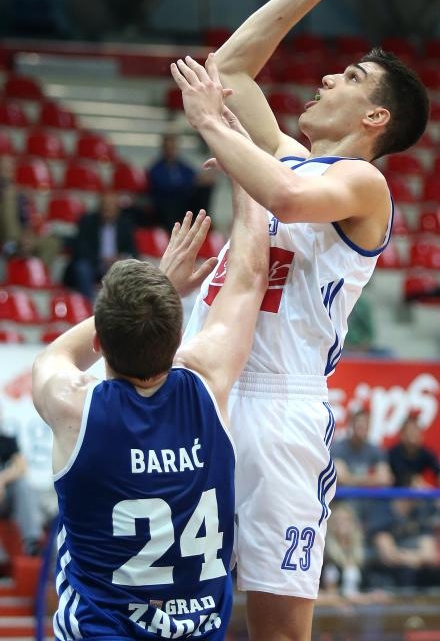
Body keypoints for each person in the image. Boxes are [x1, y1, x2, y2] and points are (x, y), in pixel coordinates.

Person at [171, 0, 430, 640]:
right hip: (202, 389)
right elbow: (225, 74)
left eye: (349, 78)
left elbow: (282, 193)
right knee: (173, 608)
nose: (324, 78)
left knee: (278, 628)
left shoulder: (364, 185)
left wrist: (220, 135)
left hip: (278, 407)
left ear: (376, 116)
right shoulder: (283, 156)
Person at [32, 197, 269, 640]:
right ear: (179, 334)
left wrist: (161, 284)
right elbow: (252, 277)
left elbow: (55, 355)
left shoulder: (74, 408)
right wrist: (248, 172)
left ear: (100, 340)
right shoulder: (208, 381)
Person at [63, 191, 137, 301]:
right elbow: (80, 248)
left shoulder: (125, 225)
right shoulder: (88, 221)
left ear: (118, 210)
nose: (108, 210)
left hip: (115, 265)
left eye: (111, 207)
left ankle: (123, 307)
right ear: (100, 208)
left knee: (132, 270)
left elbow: (133, 250)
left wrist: (120, 257)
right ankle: (89, 304)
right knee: (82, 267)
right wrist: (101, 259)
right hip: (94, 263)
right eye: (105, 207)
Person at [0, 154, 61, 267]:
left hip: (22, 236)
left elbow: (27, 219)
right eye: (3, 169)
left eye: (9, 169)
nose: (7, 173)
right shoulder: (9, 193)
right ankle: (14, 242)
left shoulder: (19, 194)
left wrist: (27, 236)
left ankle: (38, 276)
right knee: (9, 195)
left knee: (52, 243)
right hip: (5, 238)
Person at [147, 134, 215, 231]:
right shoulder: (156, 168)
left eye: (173, 147)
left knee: (204, 188)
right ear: (163, 149)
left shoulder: (182, 165)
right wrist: (190, 183)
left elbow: (194, 177)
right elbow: (165, 187)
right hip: (166, 204)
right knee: (170, 207)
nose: (171, 151)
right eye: (168, 148)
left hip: (184, 202)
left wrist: (203, 179)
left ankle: (204, 222)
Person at [0, 412, 44, 556]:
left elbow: (21, 467)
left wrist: (2, 479)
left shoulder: (7, 440)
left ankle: (31, 541)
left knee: (23, 485)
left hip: (5, 498)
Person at [388, 415, 440, 490]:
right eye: (409, 431)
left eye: (416, 431)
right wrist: (425, 489)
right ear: (401, 434)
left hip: (419, 493)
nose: (412, 435)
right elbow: (408, 479)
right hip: (396, 495)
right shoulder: (392, 454)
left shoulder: (426, 453)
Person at [331, 408, 393, 489]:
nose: (362, 427)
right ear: (351, 425)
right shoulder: (337, 448)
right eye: (359, 424)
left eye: (365, 424)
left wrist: (351, 478)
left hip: (369, 499)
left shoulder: (376, 450)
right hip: (345, 498)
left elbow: (385, 479)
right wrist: (372, 479)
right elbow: (341, 479)